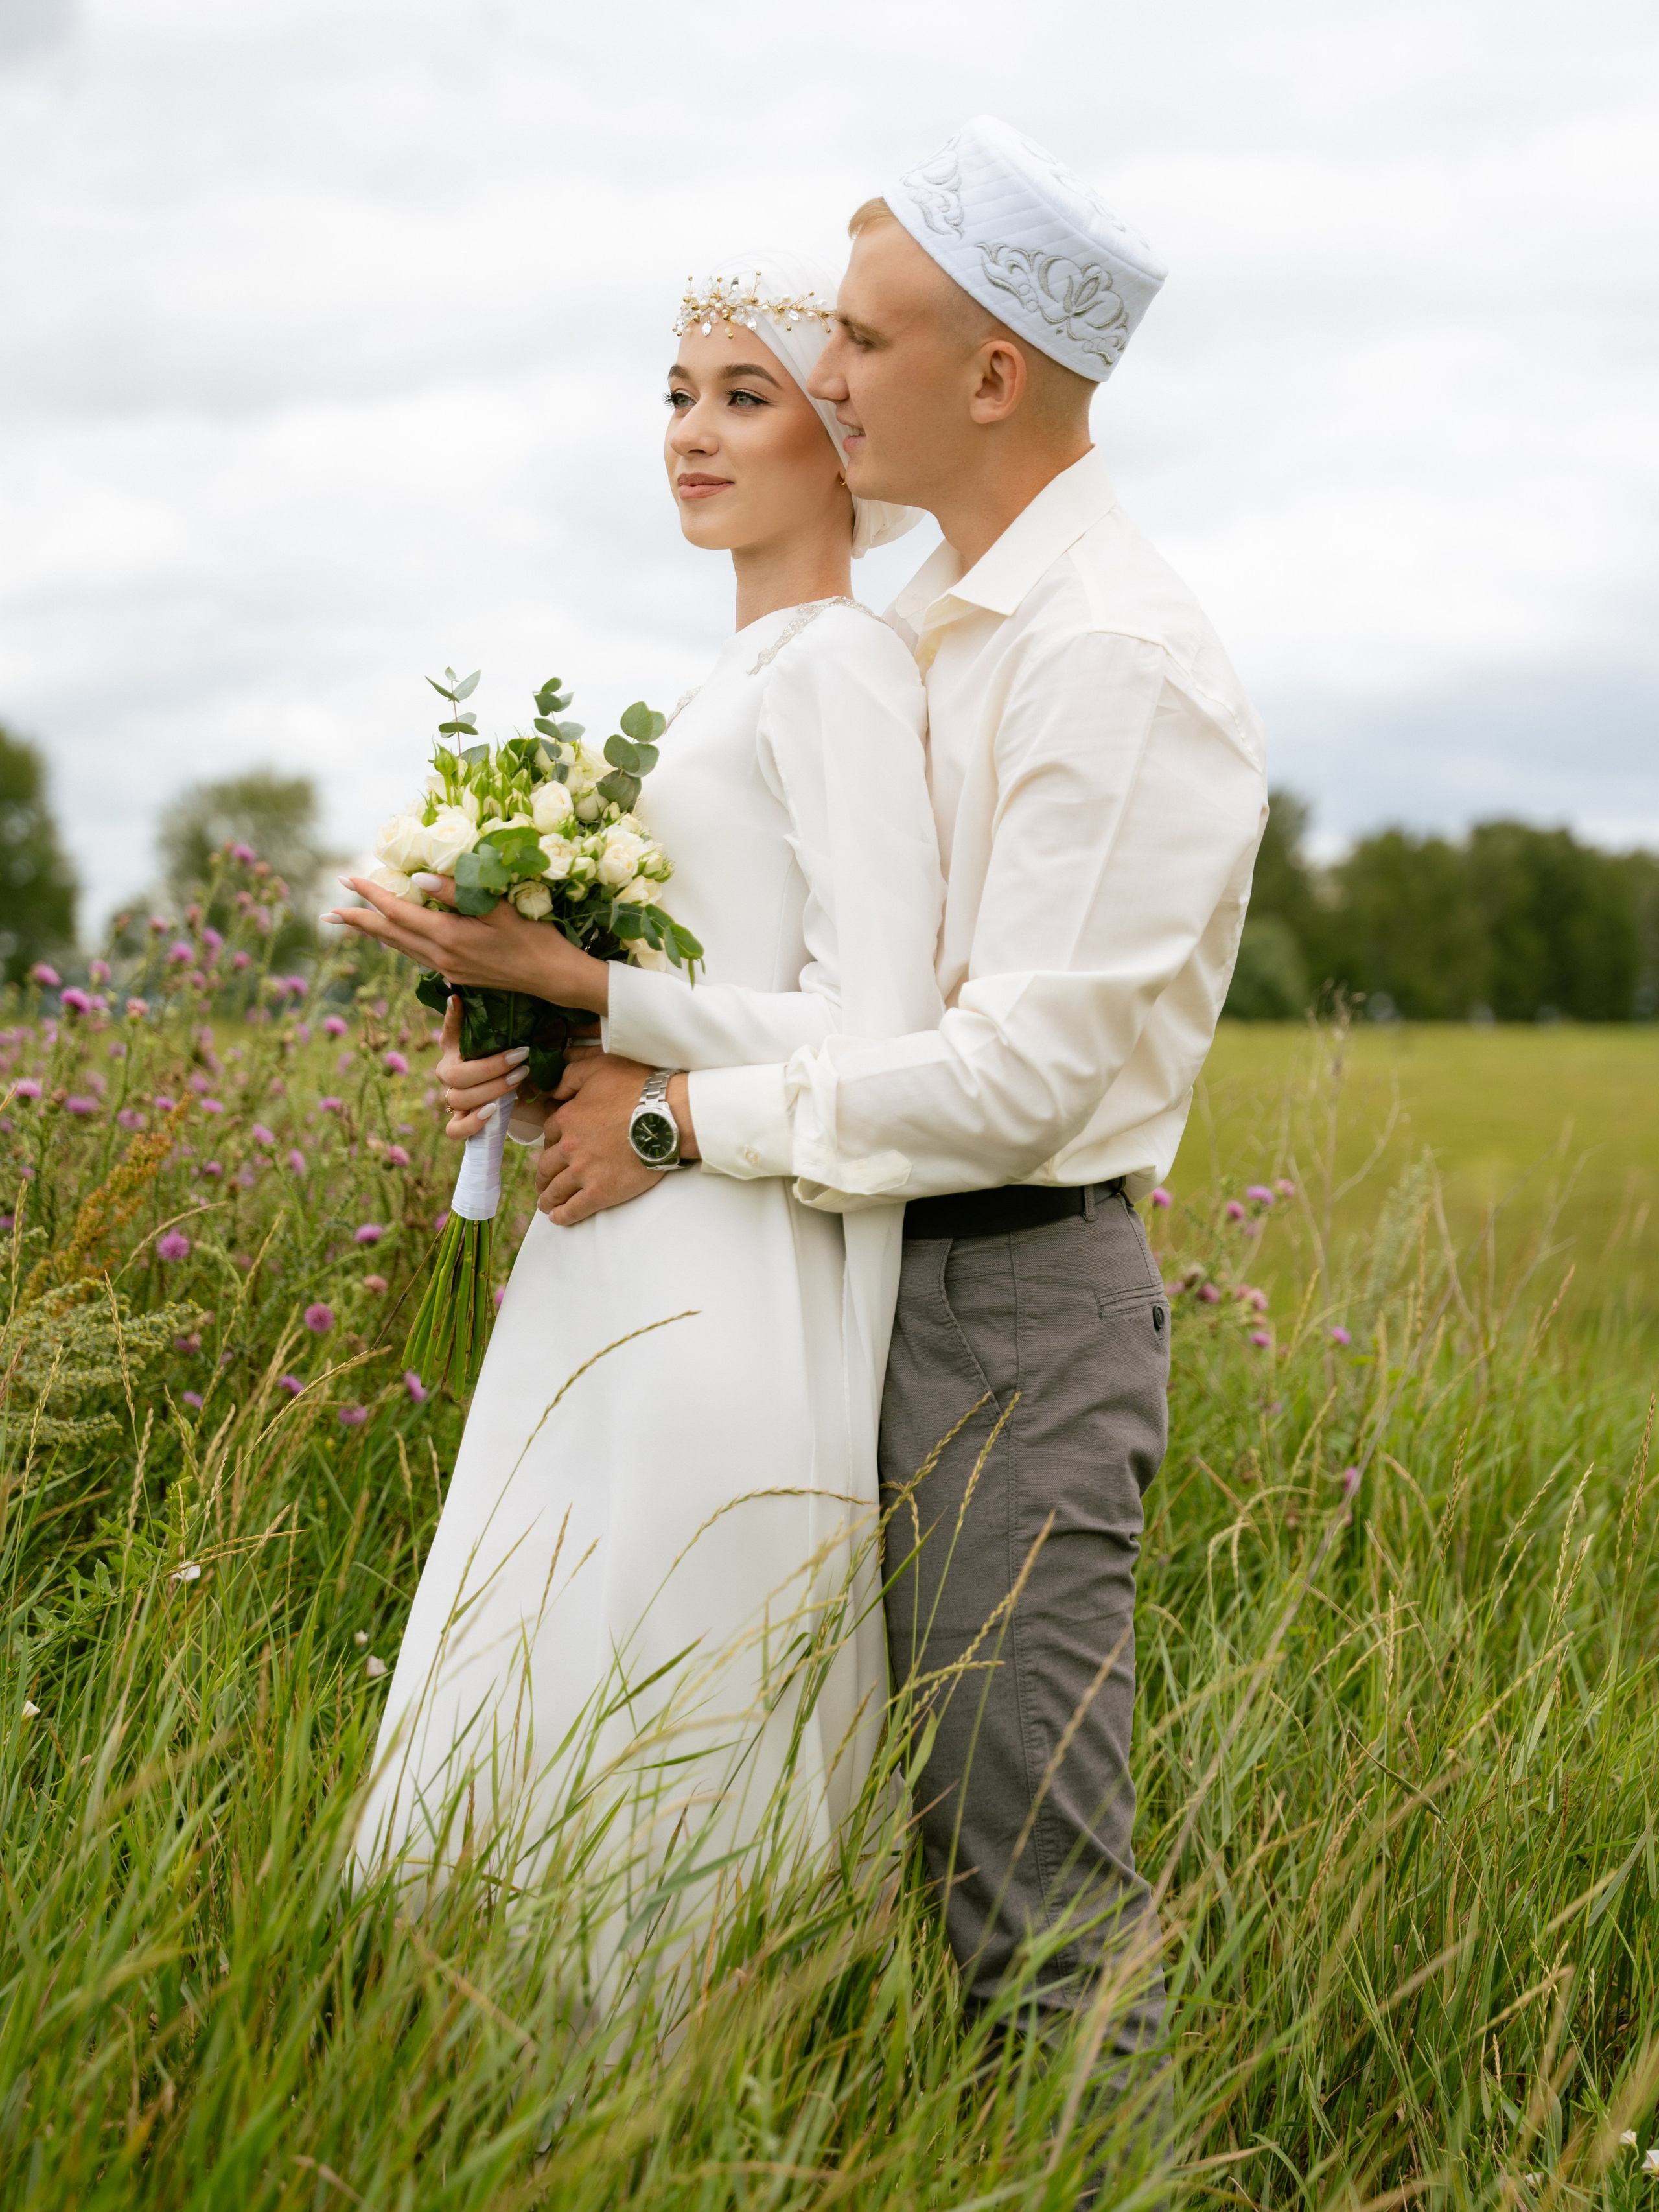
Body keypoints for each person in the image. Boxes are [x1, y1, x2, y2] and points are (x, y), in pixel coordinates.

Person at [540, 118, 1268, 2087]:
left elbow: (1021, 1075)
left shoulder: (1112, 658)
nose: (827, 376)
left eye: (860, 342)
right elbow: (837, 971)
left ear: (994, 374)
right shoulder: (939, 625)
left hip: (1006, 1309)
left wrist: (684, 1118)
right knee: (785, 1822)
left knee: (1025, 1888)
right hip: (845, 1272)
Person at [332, 250, 943, 1960]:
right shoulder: (727, 683)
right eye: (678, 396)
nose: (692, 433)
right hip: (613, 1230)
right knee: (556, 1644)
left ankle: (683, 2081)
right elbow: (678, 1002)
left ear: (842, 436)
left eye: (744, 397)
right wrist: (520, 1051)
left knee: (670, 1671)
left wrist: (591, 988)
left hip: (730, 1255)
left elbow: (869, 1021)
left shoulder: (842, 667)